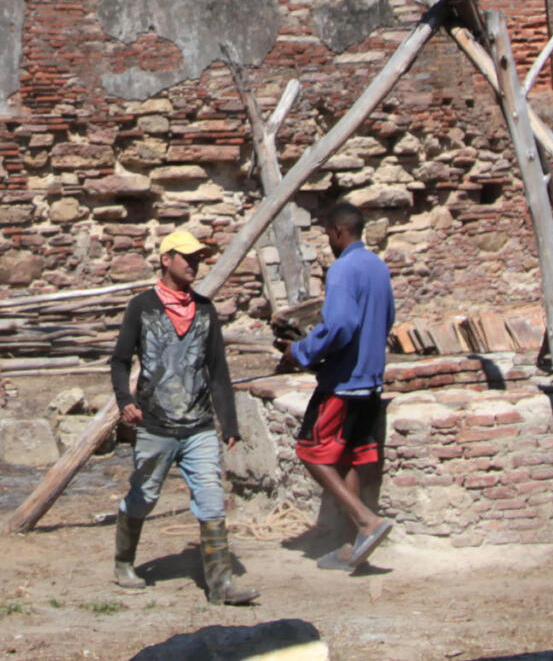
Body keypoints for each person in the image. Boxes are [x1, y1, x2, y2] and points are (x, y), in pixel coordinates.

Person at [108, 228, 259, 606]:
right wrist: (125, 399)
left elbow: (218, 371)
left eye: (197, 258)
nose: (193, 264)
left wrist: (230, 423)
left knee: (211, 497)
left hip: (198, 426)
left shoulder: (205, 311)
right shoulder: (142, 307)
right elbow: (120, 359)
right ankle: (124, 562)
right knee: (144, 496)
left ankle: (220, 584)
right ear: (166, 259)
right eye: (186, 257)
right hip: (156, 424)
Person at [281, 201, 396, 569]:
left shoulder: (343, 269)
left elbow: (342, 324)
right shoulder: (378, 267)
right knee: (350, 460)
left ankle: (366, 521)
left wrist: (300, 352)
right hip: (371, 383)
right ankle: (352, 546)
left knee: (309, 451)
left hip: (343, 384)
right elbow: (387, 318)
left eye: (327, 235)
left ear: (337, 232)